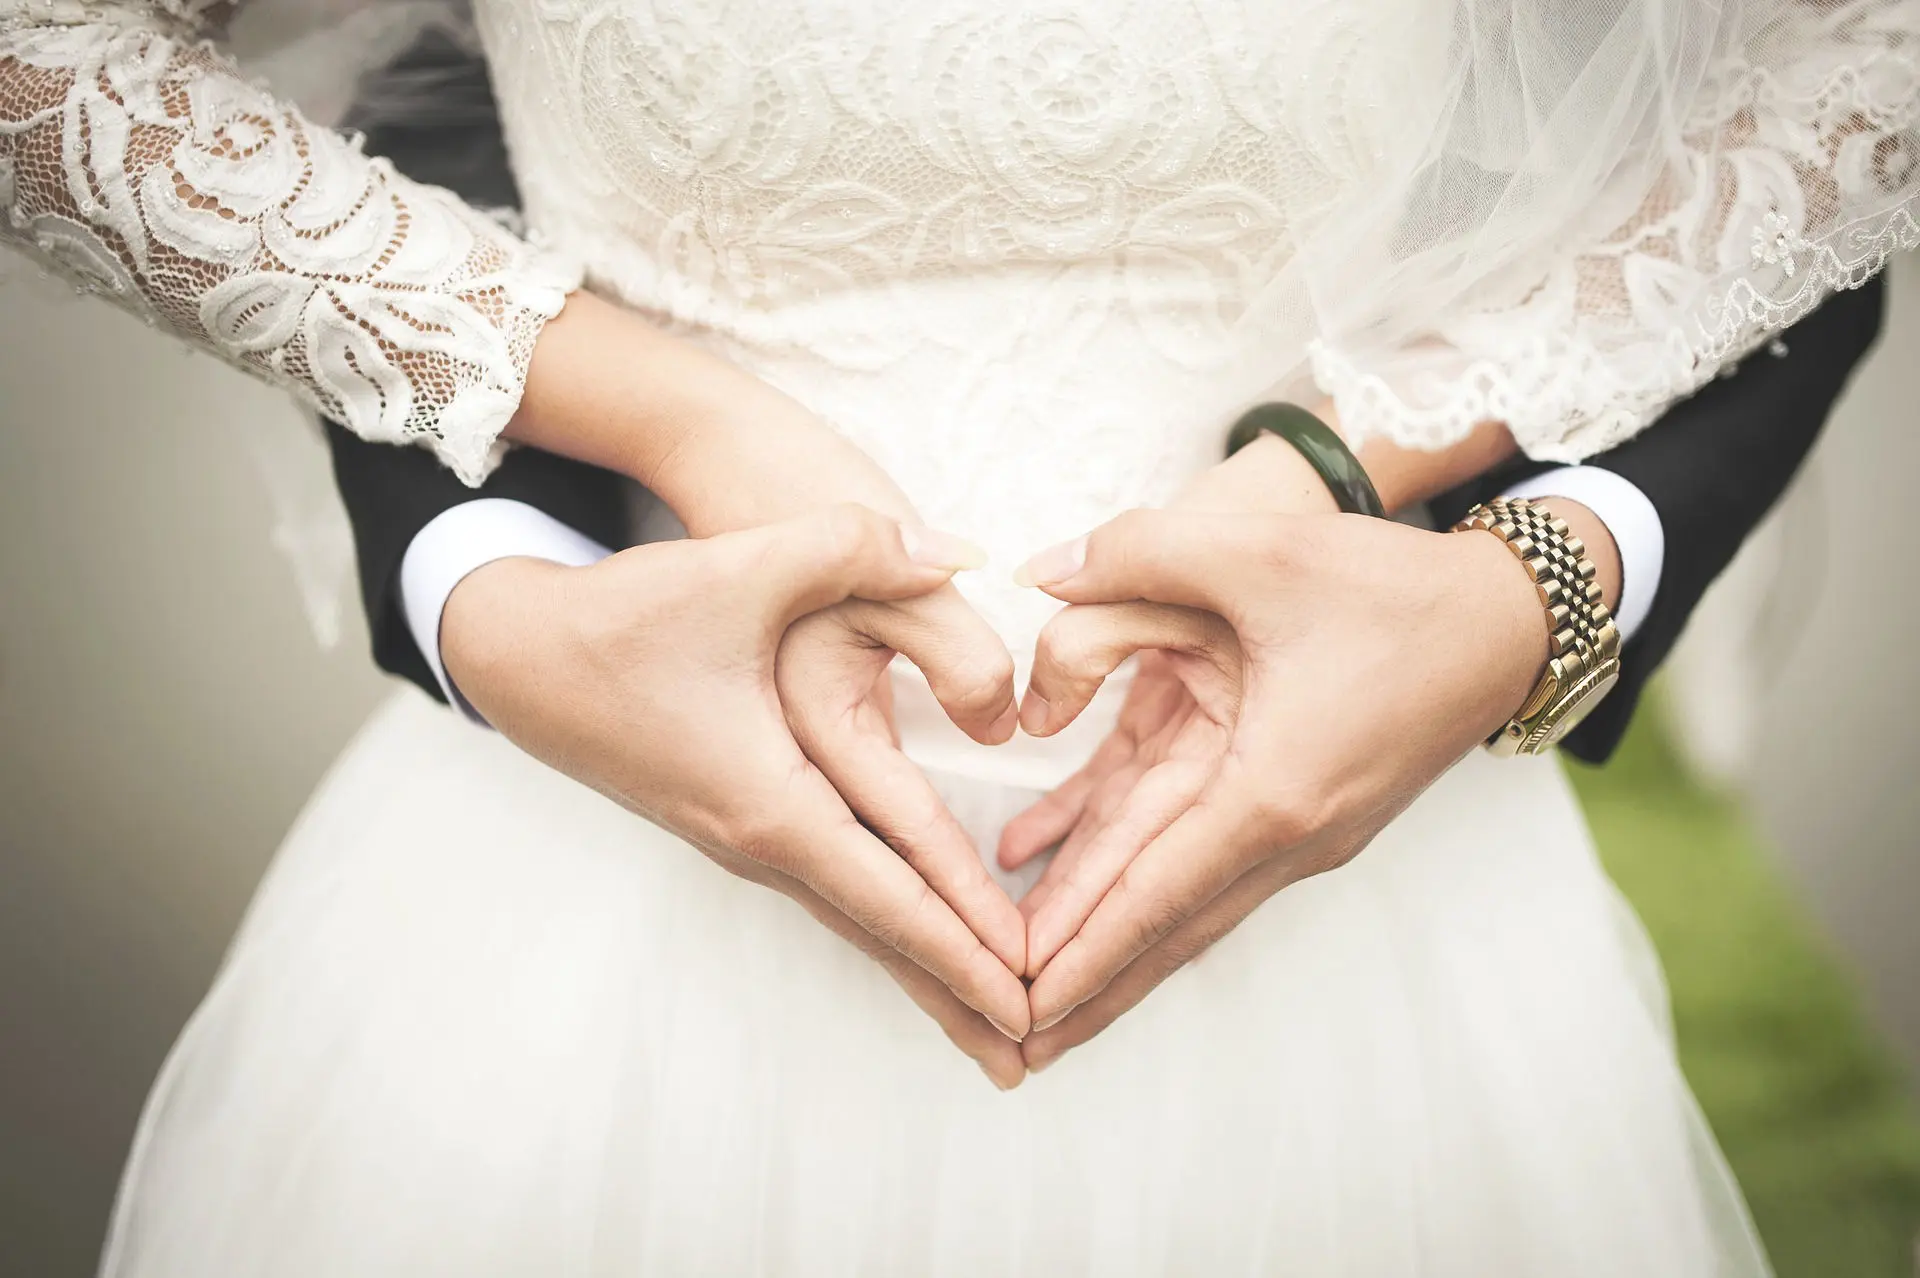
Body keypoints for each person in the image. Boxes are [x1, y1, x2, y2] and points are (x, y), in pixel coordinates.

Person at [2, 2, 1913, 1273]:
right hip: (596, 901)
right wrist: (663, 425)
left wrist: (1431, 524)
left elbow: (1852, 67)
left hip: (1353, 905)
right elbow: (51, 62)